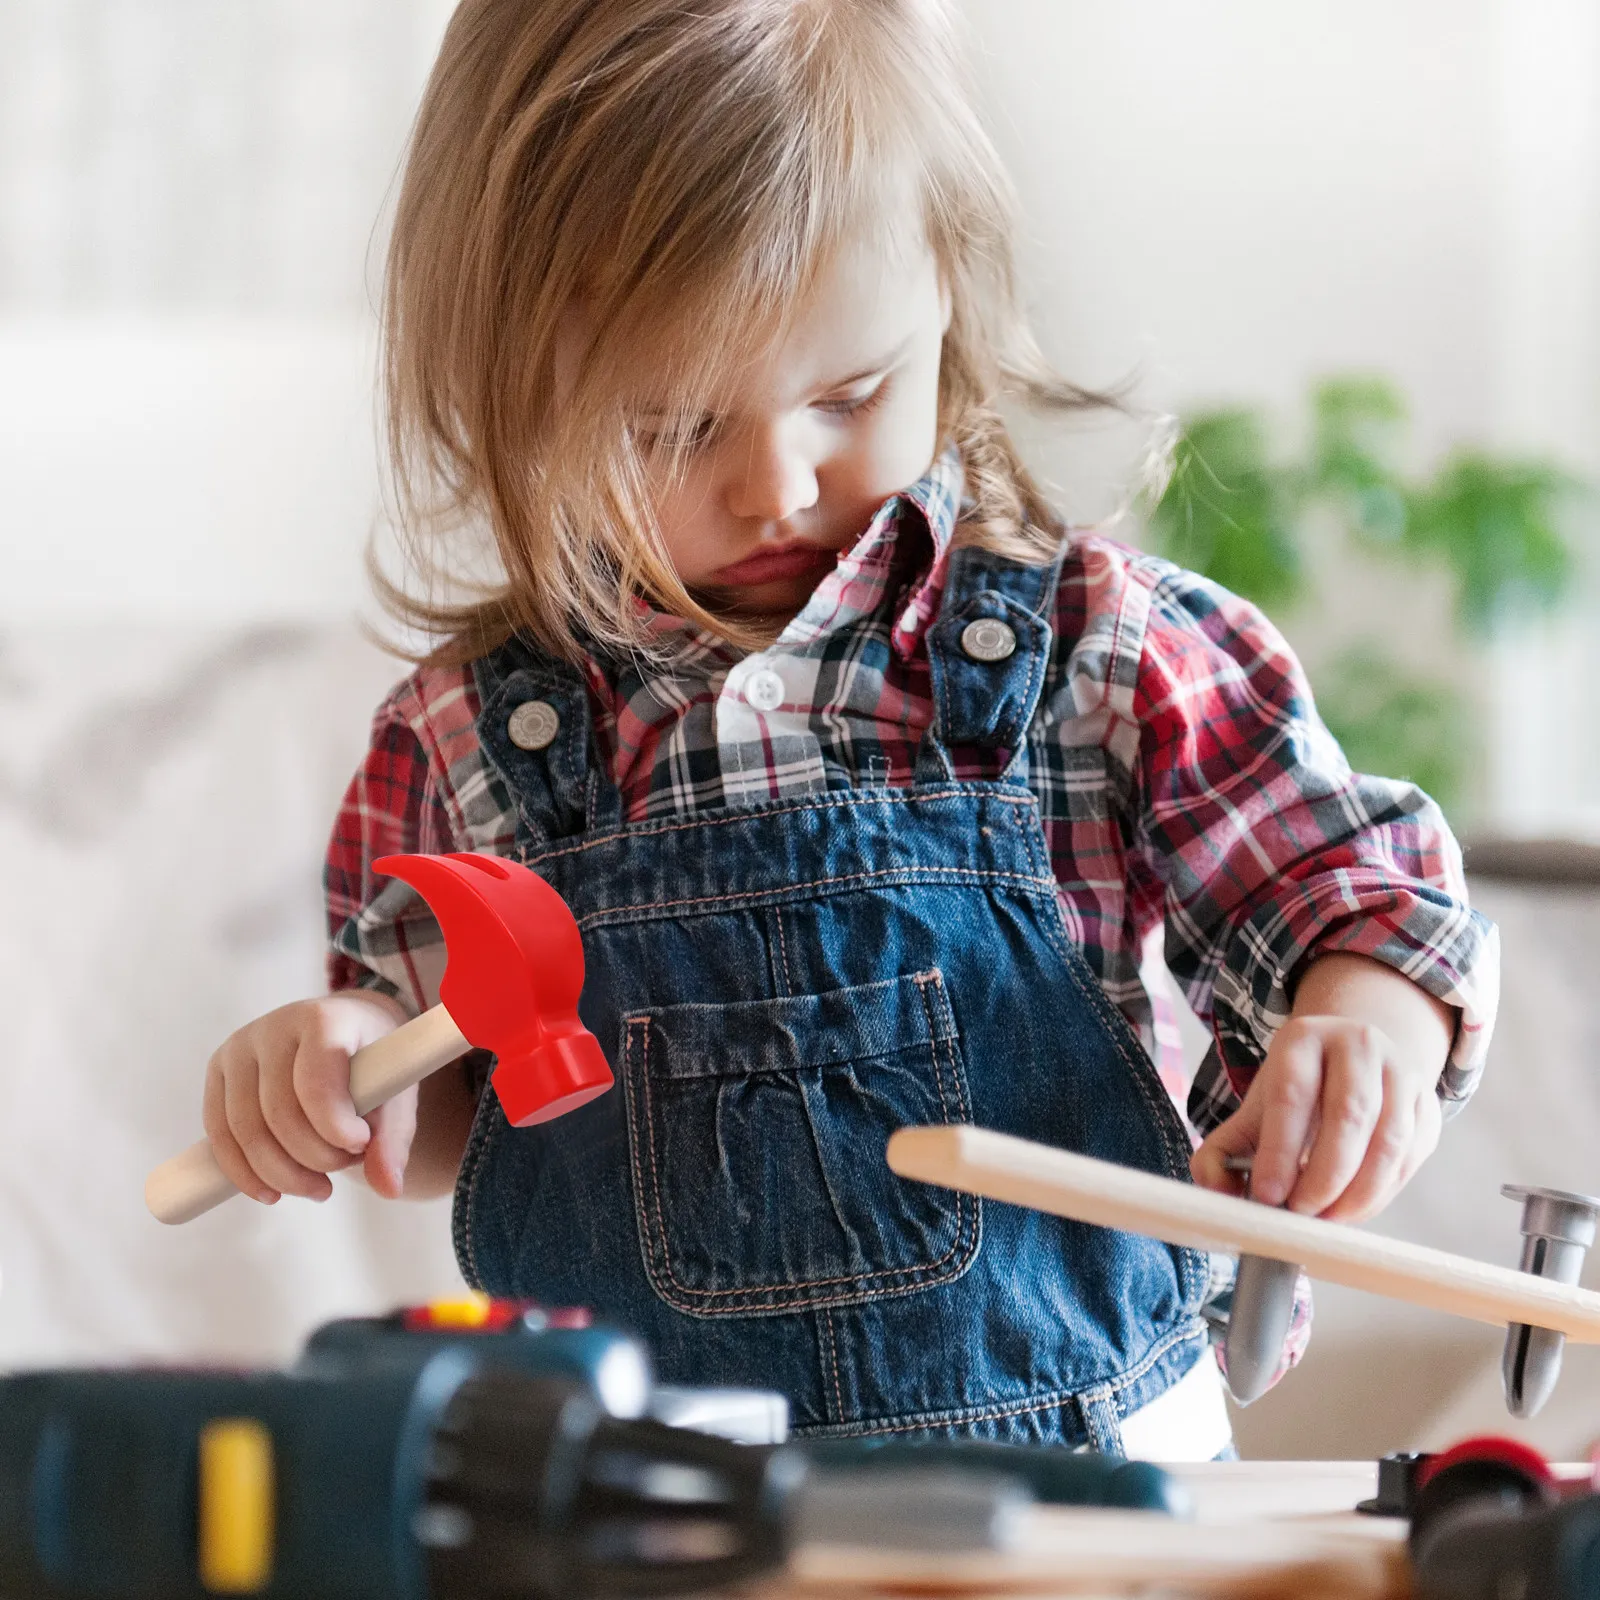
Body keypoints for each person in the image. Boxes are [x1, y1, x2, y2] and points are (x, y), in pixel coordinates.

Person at [199, 0, 1498, 1458]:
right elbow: (443, 1126)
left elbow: (1358, 898)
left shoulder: (1096, 652)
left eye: (849, 392)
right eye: (671, 426)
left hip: (1085, 1472)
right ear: (513, 384)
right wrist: (341, 1064)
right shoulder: (461, 739)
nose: (775, 482)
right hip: (646, 1498)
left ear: (947, 291)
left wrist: (1361, 1029)